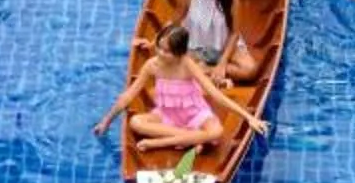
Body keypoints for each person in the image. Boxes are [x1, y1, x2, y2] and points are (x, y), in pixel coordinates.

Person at [94, 24, 265, 154]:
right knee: (135, 122)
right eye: (159, 47)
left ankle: (161, 142)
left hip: (195, 114)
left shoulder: (187, 64)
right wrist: (106, 121)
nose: (160, 53)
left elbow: (215, 94)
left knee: (217, 132)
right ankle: (191, 138)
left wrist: (249, 117)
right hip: (166, 114)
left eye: (167, 51)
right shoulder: (152, 65)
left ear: (180, 53)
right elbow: (129, 95)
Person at [180, 0, 260, 82]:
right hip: (197, 48)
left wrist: (222, 63)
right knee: (176, 66)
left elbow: (234, 33)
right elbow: (175, 22)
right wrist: (153, 43)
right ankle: (202, 70)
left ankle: (206, 70)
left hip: (223, 45)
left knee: (250, 70)